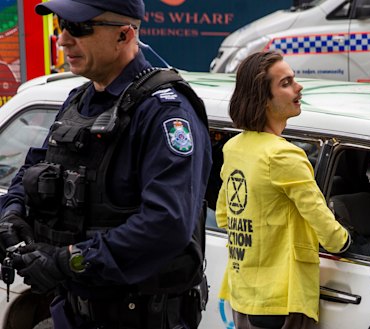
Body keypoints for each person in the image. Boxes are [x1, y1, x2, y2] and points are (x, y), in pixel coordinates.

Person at [0, 0, 212, 328]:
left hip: (141, 316)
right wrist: (12, 217)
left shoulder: (165, 113)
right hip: (72, 311)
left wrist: (66, 261)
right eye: (61, 26)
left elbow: (166, 225)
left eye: (79, 28)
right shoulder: (78, 100)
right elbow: (33, 168)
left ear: (124, 35)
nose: (64, 39)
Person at [215, 51, 350, 329]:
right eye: (286, 83)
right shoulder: (283, 156)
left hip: (243, 292)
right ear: (264, 100)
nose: (298, 87)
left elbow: (224, 217)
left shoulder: (234, 148)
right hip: (281, 299)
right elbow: (321, 219)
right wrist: (345, 242)